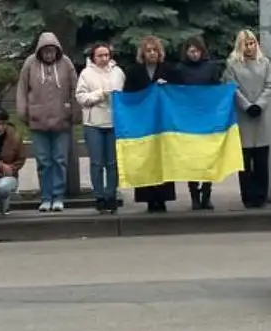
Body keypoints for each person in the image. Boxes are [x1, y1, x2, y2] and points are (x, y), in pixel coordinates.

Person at [16, 32, 80, 213]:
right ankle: (46, 197)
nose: (49, 55)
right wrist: (24, 112)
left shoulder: (66, 63)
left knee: (60, 160)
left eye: (52, 52)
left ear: (57, 51)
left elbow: (75, 87)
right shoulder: (30, 63)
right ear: (40, 51)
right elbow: (22, 88)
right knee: (44, 161)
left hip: (62, 120)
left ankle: (58, 197)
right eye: (46, 52)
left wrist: (75, 113)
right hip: (38, 121)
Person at [121, 36, 177, 212]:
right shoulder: (134, 72)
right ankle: (148, 198)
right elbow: (128, 95)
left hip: (163, 123)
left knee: (162, 160)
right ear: (143, 53)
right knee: (145, 160)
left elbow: (179, 92)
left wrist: (167, 87)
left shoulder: (168, 70)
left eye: (154, 50)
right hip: (142, 124)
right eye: (148, 50)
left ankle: (163, 198)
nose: (152, 53)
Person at [169, 35, 224, 210]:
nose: (194, 54)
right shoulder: (180, 69)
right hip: (187, 120)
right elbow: (175, 92)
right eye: (191, 51)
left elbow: (217, 89)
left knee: (208, 157)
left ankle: (207, 194)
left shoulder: (211, 68)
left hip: (208, 118)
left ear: (202, 51)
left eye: (197, 51)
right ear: (186, 52)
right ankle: (194, 195)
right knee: (191, 158)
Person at [226, 30, 271, 209]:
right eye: (246, 43)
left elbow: (269, 86)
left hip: (261, 116)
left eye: (252, 43)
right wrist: (247, 105)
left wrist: (259, 105)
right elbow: (232, 87)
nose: (250, 47)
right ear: (240, 45)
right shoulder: (232, 64)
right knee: (245, 161)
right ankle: (247, 195)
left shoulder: (265, 63)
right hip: (242, 115)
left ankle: (261, 195)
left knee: (261, 160)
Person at [75, 43, 125, 214]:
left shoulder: (118, 72)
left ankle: (111, 195)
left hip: (114, 122)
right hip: (93, 123)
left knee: (113, 163)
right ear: (93, 57)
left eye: (106, 55)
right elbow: (81, 97)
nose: (104, 58)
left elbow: (124, 93)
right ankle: (99, 197)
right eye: (100, 55)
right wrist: (99, 94)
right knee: (97, 162)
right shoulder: (86, 73)